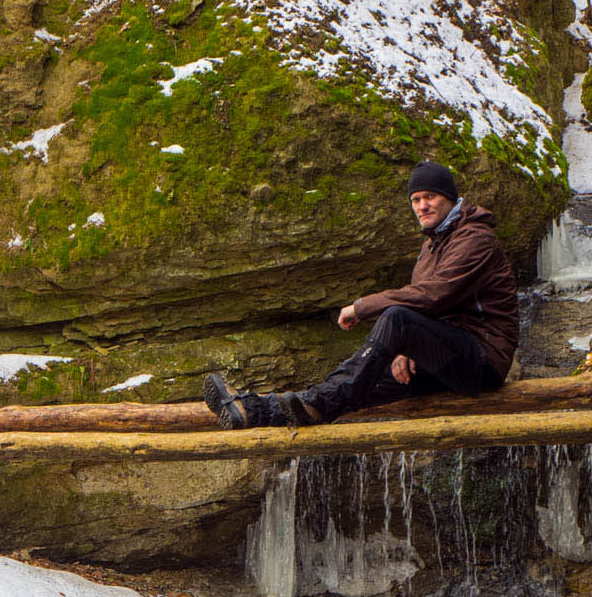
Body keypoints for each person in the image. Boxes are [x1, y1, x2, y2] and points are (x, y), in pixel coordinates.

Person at [203, 162, 517, 429]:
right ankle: (253, 411)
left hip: (481, 362)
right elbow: (431, 314)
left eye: (430, 197)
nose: (422, 206)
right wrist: (404, 351)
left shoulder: (476, 239)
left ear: (449, 198)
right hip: (448, 360)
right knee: (366, 380)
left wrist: (361, 306)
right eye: (416, 199)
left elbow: (433, 296)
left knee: (396, 319)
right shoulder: (432, 244)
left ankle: (313, 406)